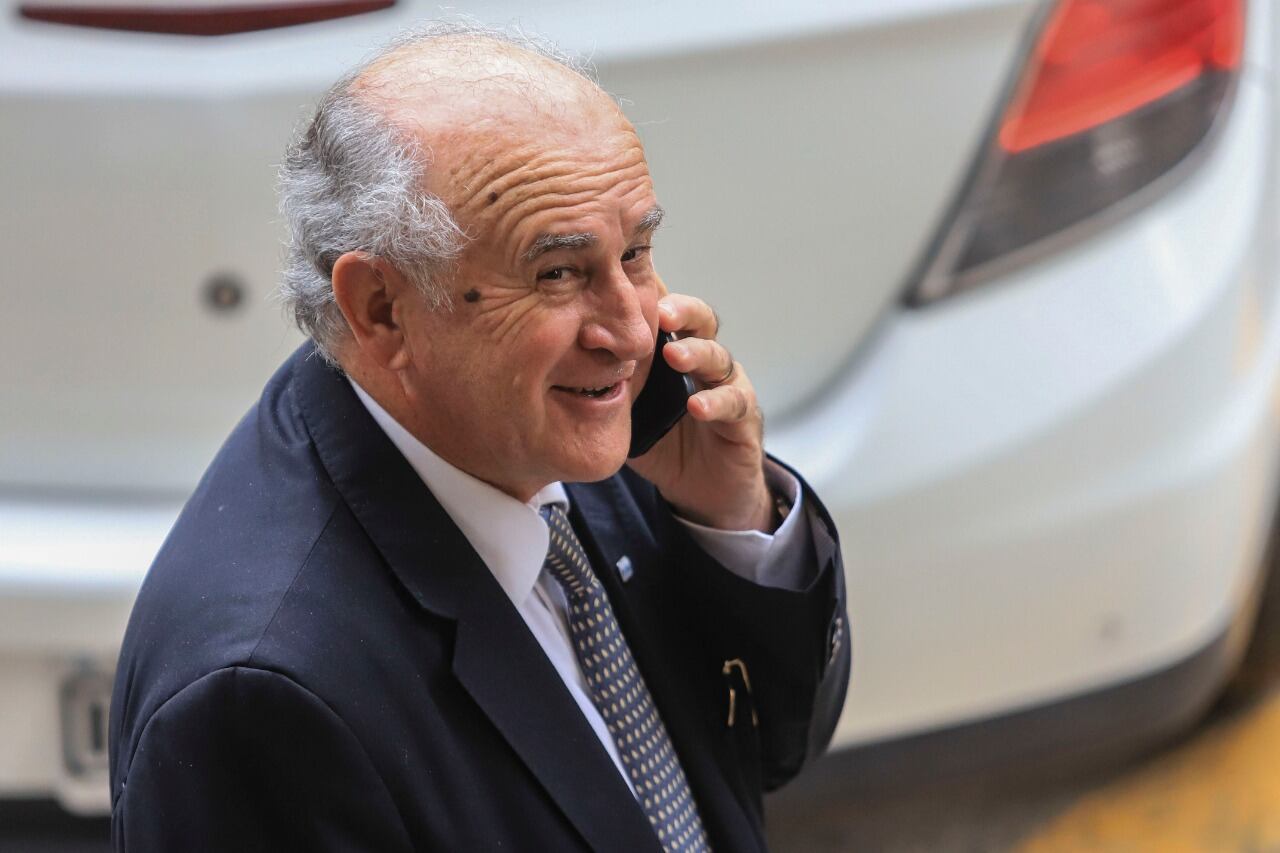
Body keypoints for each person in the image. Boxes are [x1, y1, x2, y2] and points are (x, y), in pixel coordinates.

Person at [108, 23, 849, 853]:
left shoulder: (582, 428)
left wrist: (732, 520)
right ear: (382, 309)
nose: (634, 332)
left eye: (637, 252)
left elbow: (774, 749)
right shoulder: (260, 702)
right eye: (557, 273)